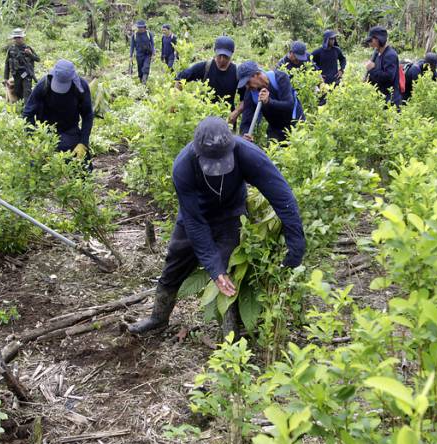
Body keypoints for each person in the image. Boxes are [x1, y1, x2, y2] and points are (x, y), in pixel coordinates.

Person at [127, 116, 305, 336]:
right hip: (195, 215)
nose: (219, 167)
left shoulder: (248, 153)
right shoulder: (183, 166)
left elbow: (281, 196)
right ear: (198, 152)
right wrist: (213, 267)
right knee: (175, 262)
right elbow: (195, 222)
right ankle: (158, 318)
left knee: (229, 268)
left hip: (231, 214)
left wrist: (296, 240)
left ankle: (231, 332)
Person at [23, 59, 93, 159]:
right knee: (38, 163)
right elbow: (27, 114)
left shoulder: (81, 87)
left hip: (70, 130)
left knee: (83, 164)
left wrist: (83, 142)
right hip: (46, 131)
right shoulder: (43, 85)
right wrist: (32, 141)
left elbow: (88, 115)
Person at [176, 36, 243, 125]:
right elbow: (180, 80)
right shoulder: (204, 67)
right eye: (219, 55)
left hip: (227, 120)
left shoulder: (236, 72)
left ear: (231, 54)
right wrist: (175, 101)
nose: (222, 60)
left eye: (226, 57)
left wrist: (236, 112)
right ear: (215, 51)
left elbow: (245, 98)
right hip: (205, 117)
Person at [236, 61, 305, 143]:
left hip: (295, 123)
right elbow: (246, 121)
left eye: (248, 82)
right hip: (275, 127)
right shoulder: (250, 93)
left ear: (257, 74)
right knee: (271, 153)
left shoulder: (280, 78)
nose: (247, 86)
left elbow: (289, 105)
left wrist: (269, 101)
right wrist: (244, 134)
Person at [364, 26, 402, 107]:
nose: (369, 43)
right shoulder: (377, 52)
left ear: (378, 39)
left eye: (371, 40)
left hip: (390, 100)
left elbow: (388, 78)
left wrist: (372, 69)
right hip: (381, 97)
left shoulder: (390, 55)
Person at [4, 28, 40, 104]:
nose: (17, 39)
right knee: (18, 92)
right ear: (13, 39)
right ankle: (21, 108)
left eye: (19, 37)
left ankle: (27, 111)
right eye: (15, 38)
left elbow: (37, 59)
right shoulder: (11, 50)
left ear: (22, 38)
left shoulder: (27, 48)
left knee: (27, 92)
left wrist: (30, 54)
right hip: (16, 75)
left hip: (26, 74)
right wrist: (6, 78)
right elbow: (7, 64)